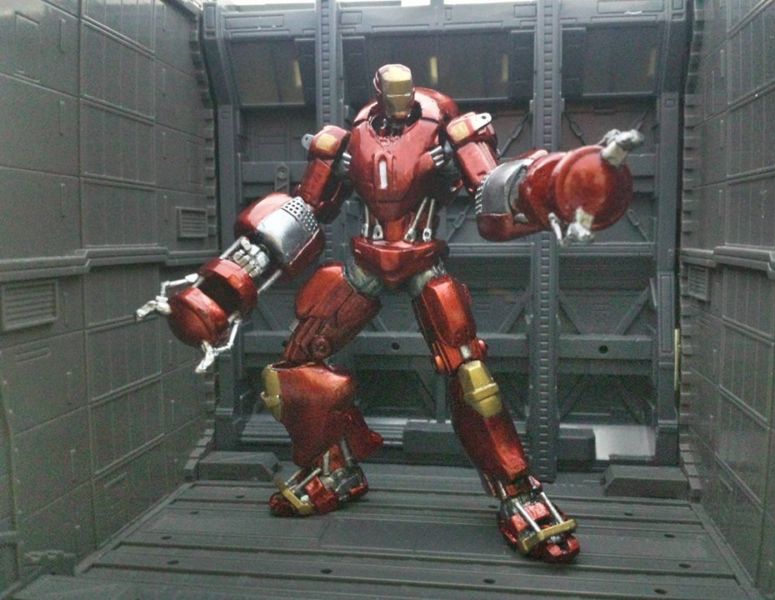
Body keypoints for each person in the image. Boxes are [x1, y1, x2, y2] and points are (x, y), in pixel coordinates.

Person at [137, 64, 642, 563]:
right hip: (366, 262)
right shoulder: (344, 140)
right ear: (378, 95)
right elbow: (305, 209)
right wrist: (228, 284)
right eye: (391, 99)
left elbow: (492, 190)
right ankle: (333, 468)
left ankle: (519, 492)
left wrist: (551, 185)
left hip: (423, 263)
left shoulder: (449, 130)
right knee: (296, 365)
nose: (401, 108)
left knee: (471, 377)